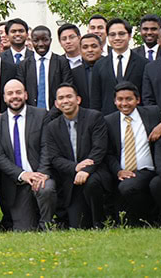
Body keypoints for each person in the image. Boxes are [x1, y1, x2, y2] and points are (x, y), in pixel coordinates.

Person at [0, 80, 56, 231]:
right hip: (17, 182)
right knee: (24, 229)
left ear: (25, 95)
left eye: (18, 92)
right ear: (4, 98)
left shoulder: (41, 115)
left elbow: (46, 147)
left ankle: (47, 225)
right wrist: (23, 175)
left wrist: (42, 173)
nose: (15, 96)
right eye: (10, 93)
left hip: (40, 176)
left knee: (46, 189)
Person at [41, 82, 108, 228]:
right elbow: (54, 158)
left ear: (78, 99)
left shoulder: (94, 117)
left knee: (92, 183)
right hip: (71, 179)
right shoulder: (52, 127)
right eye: (61, 98)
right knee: (77, 225)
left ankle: (100, 223)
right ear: (56, 104)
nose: (65, 101)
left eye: (69, 96)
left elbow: (99, 148)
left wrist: (86, 170)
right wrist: (76, 167)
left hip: (95, 173)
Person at [103, 82, 161, 225]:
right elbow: (108, 153)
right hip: (122, 172)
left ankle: (148, 219)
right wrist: (118, 171)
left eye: (129, 99)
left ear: (138, 100)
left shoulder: (153, 113)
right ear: (114, 101)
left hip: (148, 170)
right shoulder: (109, 121)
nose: (124, 103)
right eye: (120, 99)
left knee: (128, 187)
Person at [24, 25, 70, 110]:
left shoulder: (61, 62)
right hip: (32, 116)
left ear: (50, 40)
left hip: (57, 114)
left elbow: (67, 89)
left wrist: (52, 114)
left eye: (45, 40)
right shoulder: (24, 65)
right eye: (36, 40)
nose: (40, 44)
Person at [72, 33, 115, 114]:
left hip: (110, 116)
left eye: (94, 46)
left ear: (101, 48)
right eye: (85, 47)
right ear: (80, 51)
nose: (90, 50)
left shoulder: (112, 68)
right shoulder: (74, 73)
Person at [102, 18, 146, 92]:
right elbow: (96, 99)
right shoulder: (99, 65)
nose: (117, 38)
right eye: (112, 35)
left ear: (129, 36)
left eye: (121, 34)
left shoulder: (143, 64)